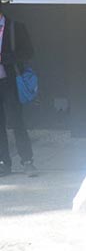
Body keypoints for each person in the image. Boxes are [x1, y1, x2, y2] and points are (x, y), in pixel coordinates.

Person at [0, 12, 38, 176]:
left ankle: (27, 161)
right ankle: (3, 163)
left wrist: (4, 58)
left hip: (10, 82)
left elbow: (28, 52)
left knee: (17, 121)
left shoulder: (15, 27)